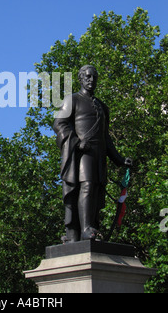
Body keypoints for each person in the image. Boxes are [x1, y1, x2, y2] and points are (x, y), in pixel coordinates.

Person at [53, 65, 132, 242]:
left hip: (99, 154)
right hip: (81, 154)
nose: (91, 80)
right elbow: (59, 124)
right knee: (86, 185)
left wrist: (119, 160)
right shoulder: (72, 100)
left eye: (94, 77)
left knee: (96, 189)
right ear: (80, 78)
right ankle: (86, 229)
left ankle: (91, 227)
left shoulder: (102, 107)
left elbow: (106, 138)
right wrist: (76, 142)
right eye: (87, 77)